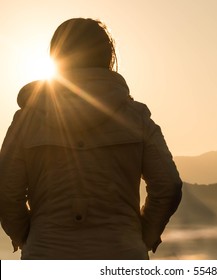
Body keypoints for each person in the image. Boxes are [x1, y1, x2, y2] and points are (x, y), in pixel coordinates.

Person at [0, 18, 182, 260]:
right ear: (108, 57)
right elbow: (168, 186)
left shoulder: (27, 121)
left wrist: (30, 237)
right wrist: (141, 237)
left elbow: (5, 192)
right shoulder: (137, 117)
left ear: (57, 58)